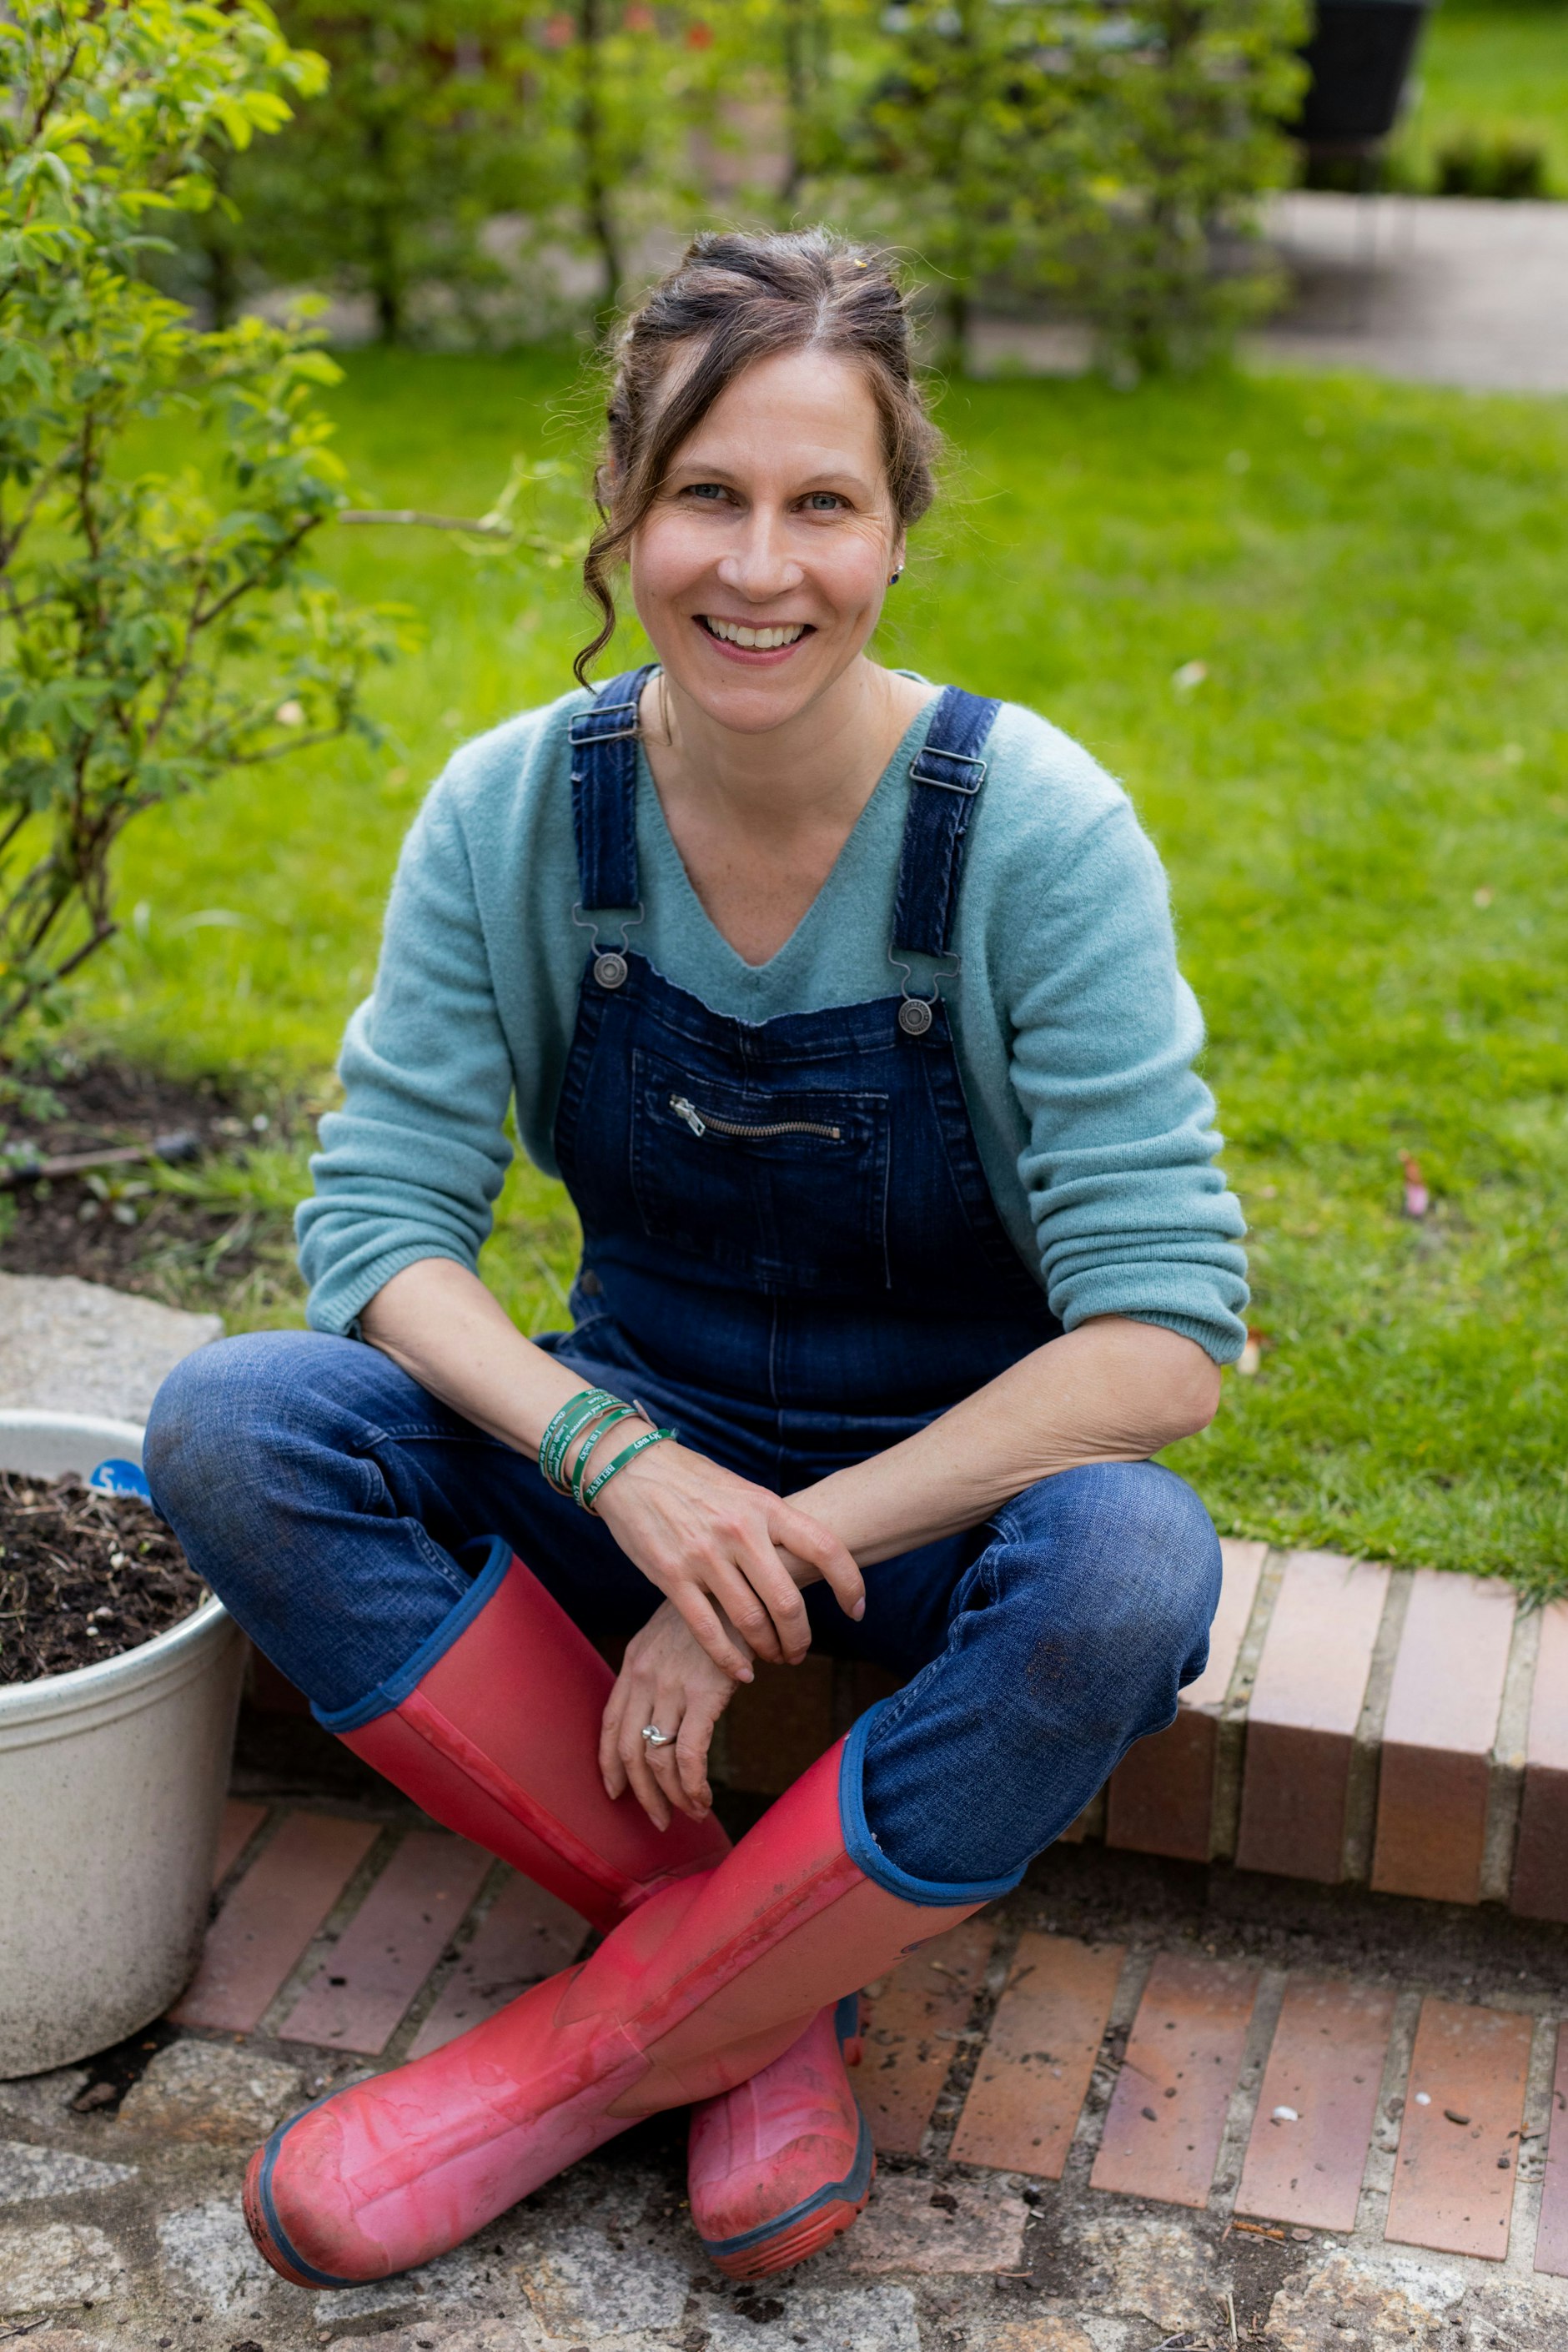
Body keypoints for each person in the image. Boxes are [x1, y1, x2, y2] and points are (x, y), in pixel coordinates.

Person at [146, 227, 1248, 2295]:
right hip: (629, 1439)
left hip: (937, 1493)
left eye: (821, 503)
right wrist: (613, 1463)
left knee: (1131, 1570)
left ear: (898, 530)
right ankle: (758, 1965)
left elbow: (1165, 1340)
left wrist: (770, 1564)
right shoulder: (512, 815)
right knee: (235, 1422)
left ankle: (588, 2055)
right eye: (705, 497)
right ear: (624, 514)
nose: (761, 568)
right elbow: (378, 1227)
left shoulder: (1032, 830)